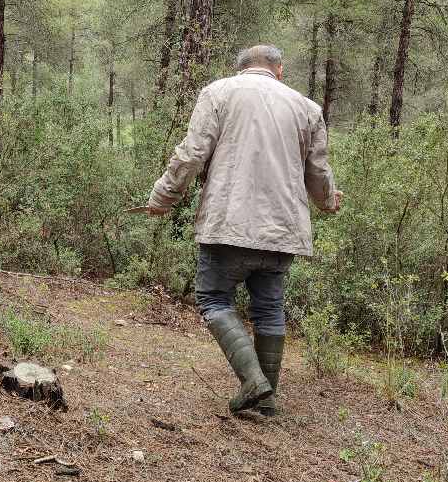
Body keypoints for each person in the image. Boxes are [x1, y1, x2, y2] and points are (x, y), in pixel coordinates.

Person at [139, 44, 342, 416]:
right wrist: (328, 201)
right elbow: (319, 172)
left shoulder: (218, 93)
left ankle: (254, 383)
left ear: (241, 68)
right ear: (279, 70)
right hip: (283, 229)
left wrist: (162, 197)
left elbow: (191, 154)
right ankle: (267, 402)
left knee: (214, 299)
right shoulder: (307, 108)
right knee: (269, 309)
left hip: (227, 221)